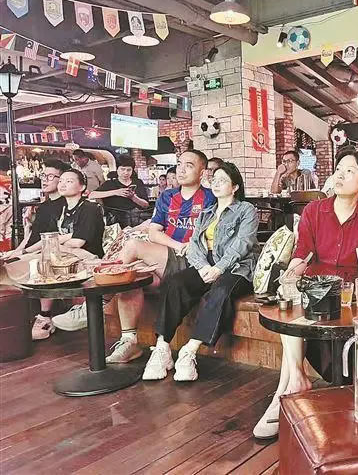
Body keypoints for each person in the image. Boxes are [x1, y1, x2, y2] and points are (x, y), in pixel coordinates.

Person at [253, 151, 358, 439]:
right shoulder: (314, 211)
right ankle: (293, 381)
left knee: (296, 311)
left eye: (349, 171)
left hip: (349, 292)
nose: (340, 175)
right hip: (314, 287)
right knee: (288, 297)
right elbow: (302, 253)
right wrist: (291, 275)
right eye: (339, 169)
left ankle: (286, 390)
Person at [142, 162, 258, 381]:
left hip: (237, 267)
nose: (216, 184)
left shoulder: (246, 209)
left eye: (223, 180)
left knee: (220, 291)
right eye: (214, 180)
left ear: (235, 187)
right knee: (175, 283)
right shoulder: (207, 212)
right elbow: (194, 244)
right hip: (207, 263)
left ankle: (189, 351)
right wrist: (203, 266)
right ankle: (162, 347)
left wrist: (219, 268)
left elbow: (243, 243)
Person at [103, 150, 216, 364]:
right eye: (179, 164)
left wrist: (186, 248)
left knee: (133, 245)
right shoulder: (167, 196)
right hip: (169, 256)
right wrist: (179, 246)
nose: (181, 169)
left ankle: (100, 299)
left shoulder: (211, 197)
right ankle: (130, 342)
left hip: (192, 263)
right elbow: (154, 232)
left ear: (202, 173)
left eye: (189, 165)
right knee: (131, 277)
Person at [24, 169, 105, 339]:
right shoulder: (60, 210)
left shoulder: (90, 208)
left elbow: (78, 242)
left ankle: (45, 316)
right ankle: (39, 316)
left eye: (69, 181)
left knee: (45, 259)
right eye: (61, 180)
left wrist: (56, 242)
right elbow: (48, 238)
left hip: (88, 258)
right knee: (28, 260)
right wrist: (23, 252)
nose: (62, 184)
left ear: (82, 187)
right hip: (64, 255)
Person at [4, 159, 69, 260]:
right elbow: (32, 235)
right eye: (43, 175)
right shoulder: (43, 206)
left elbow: (49, 239)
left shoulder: (65, 205)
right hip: (28, 252)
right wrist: (15, 252)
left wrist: (23, 252)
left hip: (41, 254)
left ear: (62, 180)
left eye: (50, 176)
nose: (45, 180)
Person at [89, 155, 148, 228]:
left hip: (136, 221)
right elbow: (92, 195)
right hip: (115, 223)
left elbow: (146, 205)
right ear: (117, 169)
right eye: (122, 169)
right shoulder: (109, 184)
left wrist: (133, 197)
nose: (125, 173)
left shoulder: (138, 182)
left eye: (129, 170)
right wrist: (116, 192)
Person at [0, 156, 12, 252]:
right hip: (11, 208)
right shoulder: (12, 179)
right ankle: (8, 253)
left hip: (1, 208)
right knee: (9, 233)